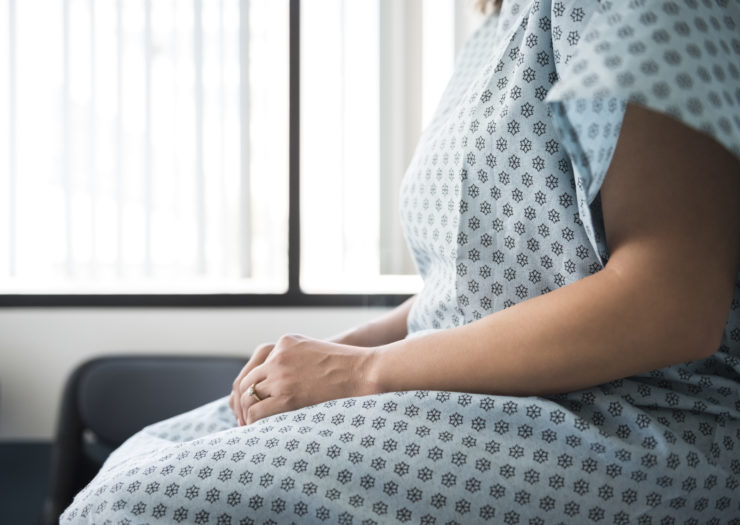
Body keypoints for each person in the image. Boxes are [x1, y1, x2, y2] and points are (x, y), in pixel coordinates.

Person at [62, 0, 740, 523]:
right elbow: (484, 281)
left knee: (145, 504)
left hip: (629, 421)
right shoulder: (498, 27)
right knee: (138, 459)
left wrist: (363, 372)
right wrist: (339, 348)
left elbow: (669, 300)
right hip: (478, 388)